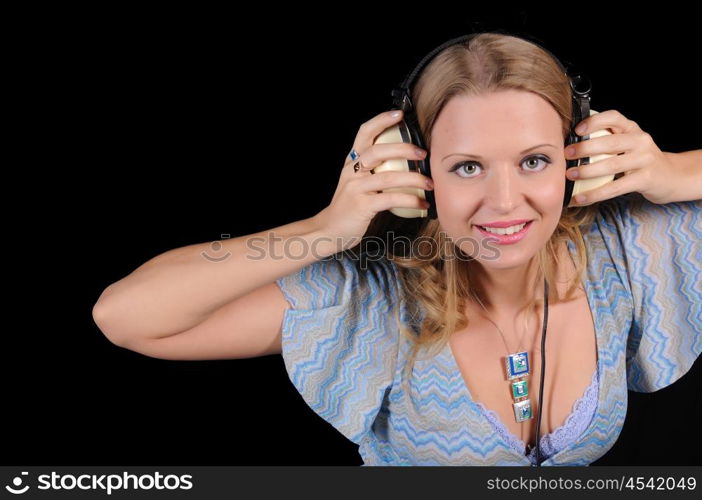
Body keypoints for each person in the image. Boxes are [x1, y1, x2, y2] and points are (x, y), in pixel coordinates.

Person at [92, 33, 702, 466]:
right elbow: (126, 317)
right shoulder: (371, 297)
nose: (505, 201)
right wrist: (327, 228)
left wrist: (672, 173)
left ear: (577, 159)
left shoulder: (624, 253)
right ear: (418, 171)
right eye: (467, 167)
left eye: (534, 161)